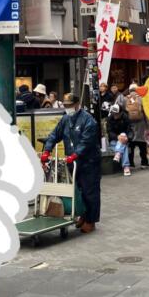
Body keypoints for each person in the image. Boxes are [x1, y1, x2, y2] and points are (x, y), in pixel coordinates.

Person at [41, 93, 101, 233]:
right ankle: (82, 214)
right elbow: (54, 135)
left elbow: (86, 141)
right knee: (77, 191)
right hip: (72, 162)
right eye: (65, 105)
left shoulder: (88, 120)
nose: (67, 108)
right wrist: (47, 150)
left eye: (70, 105)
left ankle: (91, 220)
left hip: (88, 161)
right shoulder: (65, 119)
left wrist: (75, 154)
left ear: (77, 104)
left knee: (89, 191)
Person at [125, 83, 149, 168]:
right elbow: (146, 112)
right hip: (141, 125)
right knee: (142, 145)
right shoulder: (141, 98)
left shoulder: (126, 98)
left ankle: (131, 163)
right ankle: (144, 162)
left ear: (129, 90)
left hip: (130, 125)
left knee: (131, 145)